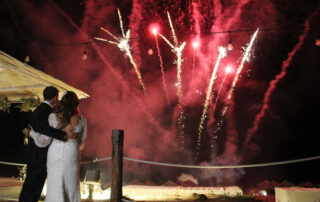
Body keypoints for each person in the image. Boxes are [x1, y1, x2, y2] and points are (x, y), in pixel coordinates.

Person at [19, 86, 74, 202]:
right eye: (57, 98)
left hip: (35, 154)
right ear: (54, 98)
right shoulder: (46, 111)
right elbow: (43, 128)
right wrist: (62, 135)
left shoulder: (39, 109)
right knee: (34, 185)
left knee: (31, 185)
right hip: (39, 155)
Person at [44, 91, 86, 202]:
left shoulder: (52, 117)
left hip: (55, 153)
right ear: (75, 103)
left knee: (55, 184)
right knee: (71, 185)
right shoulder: (81, 120)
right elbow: (81, 143)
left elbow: (46, 138)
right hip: (71, 153)